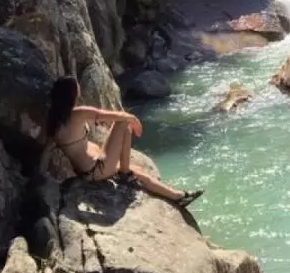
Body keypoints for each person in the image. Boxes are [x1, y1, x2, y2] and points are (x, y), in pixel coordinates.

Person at [46, 77, 202, 208]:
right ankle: (125, 173)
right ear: (71, 94)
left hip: (90, 169)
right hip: (98, 168)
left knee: (141, 174)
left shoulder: (55, 120)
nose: (79, 91)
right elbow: (108, 115)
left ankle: (178, 196)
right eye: (77, 89)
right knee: (123, 122)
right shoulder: (76, 114)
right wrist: (132, 119)